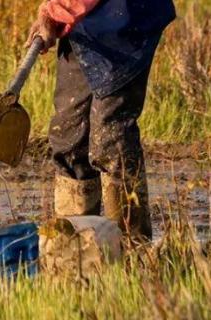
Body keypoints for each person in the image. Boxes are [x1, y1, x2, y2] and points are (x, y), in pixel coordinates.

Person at [27, 0, 176, 242]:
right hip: (82, 24)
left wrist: (52, 13)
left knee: (110, 138)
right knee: (68, 134)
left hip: (126, 20)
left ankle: (131, 248)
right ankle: (74, 250)